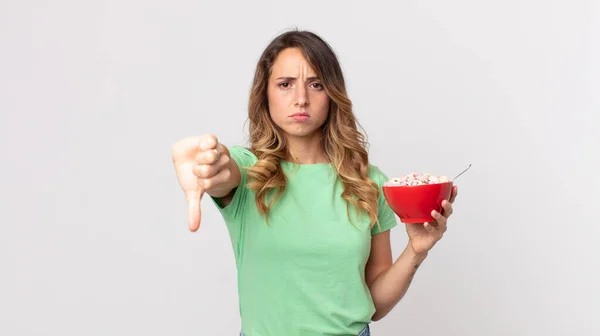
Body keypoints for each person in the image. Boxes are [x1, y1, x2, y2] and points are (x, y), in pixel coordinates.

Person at [172, 29, 458, 336]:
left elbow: (374, 304)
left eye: (316, 84)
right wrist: (210, 162)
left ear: (332, 94)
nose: (301, 99)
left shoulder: (369, 183)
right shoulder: (250, 171)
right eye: (285, 84)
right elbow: (225, 171)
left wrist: (417, 250)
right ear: (265, 94)